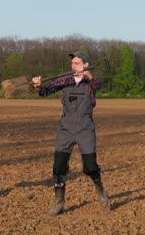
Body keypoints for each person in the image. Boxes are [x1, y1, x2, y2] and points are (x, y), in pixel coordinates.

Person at [31, 51, 109, 216]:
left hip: (85, 128)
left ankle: (100, 190)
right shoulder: (65, 80)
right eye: (73, 63)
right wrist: (38, 86)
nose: (74, 66)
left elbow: (98, 85)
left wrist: (89, 75)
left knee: (91, 167)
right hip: (66, 128)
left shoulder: (91, 82)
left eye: (77, 63)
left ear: (86, 64)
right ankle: (59, 201)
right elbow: (46, 91)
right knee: (58, 167)